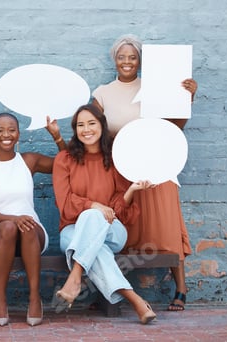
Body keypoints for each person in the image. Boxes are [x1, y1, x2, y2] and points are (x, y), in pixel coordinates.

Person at [91, 34, 197, 311]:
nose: (127, 61)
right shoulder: (102, 93)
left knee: (167, 226)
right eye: (121, 56)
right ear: (114, 59)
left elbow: (174, 128)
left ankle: (181, 290)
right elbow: (93, 133)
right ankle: (110, 289)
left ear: (139, 61)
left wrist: (187, 98)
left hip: (158, 165)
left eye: (133, 56)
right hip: (123, 169)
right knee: (127, 229)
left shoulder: (156, 87)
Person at [53, 104, 156, 324]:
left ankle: (75, 276)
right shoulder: (64, 159)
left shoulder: (116, 158)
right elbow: (65, 203)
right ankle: (136, 300)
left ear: (101, 125)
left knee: (92, 220)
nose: (86, 129)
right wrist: (95, 206)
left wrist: (131, 190)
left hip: (113, 230)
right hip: (72, 230)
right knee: (95, 244)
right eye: (80, 125)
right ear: (75, 129)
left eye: (92, 123)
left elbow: (119, 212)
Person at [0, 113, 64, 326]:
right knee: (8, 228)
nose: (6, 134)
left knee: (28, 226)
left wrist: (57, 137)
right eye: (0, 130)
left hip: (31, 232)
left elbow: (66, 164)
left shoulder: (28, 161)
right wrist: (14, 219)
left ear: (18, 134)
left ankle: (34, 297)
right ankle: (1, 298)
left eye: (12, 130)